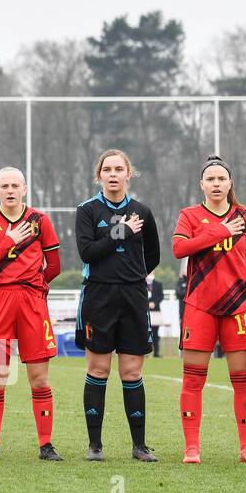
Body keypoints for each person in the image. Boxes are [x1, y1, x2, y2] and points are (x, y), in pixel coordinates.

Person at [173, 155, 246, 464]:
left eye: (222, 179)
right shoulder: (189, 215)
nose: (216, 184)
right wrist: (219, 231)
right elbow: (180, 249)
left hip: (239, 307)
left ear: (230, 183)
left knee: (242, 378)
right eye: (211, 179)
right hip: (199, 307)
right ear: (201, 185)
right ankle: (191, 447)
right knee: (193, 379)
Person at [0, 166, 63, 463]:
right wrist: (8, 242)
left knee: (39, 379)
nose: (10, 190)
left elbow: (55, 265)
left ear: (24, 188)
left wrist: (36, 287)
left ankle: (46, 445)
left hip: (32, 302)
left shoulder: (40, 221)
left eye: (15, 185)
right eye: (4, 186)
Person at [74, 149, 162, 463]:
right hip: (98, 298)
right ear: (99, 175)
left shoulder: (143, 211)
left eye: (119, 169)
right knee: (98, 369)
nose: (113, 174)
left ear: (129, 174)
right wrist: (120, 231)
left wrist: (132, 274)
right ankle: (95, 446)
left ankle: (139, 446)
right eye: (107, 169)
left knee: (131, 371)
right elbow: (88, 252)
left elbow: (153, 255)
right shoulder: (87, 210)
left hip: (134, 298)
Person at [147, 273, 165, 358]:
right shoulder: (143, 284)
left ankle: (156, 353)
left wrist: (154, 303)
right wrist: (147, 304)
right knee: (145, 333)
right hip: (145, 312)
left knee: (155, 333)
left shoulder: (158, 284)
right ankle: (145, 352)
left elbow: (161, 296)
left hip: (156, 312)